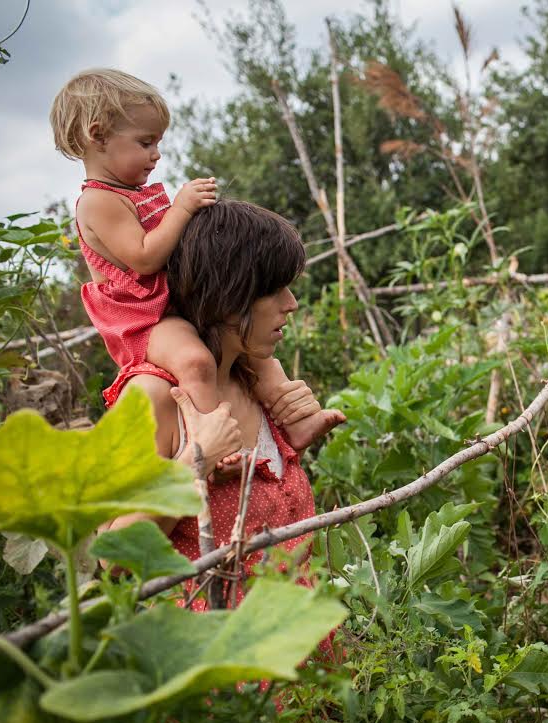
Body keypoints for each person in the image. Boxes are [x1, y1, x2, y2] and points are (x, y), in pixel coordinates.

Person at [50, 68, 338, 454]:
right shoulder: (98, 202)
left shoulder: (135, 192)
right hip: (144, 321)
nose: (156, 154)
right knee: (196, 361)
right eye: (145, 142)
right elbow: (145, 258)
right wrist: (182, 208)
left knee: (255, 354)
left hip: (169, 305)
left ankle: (296, 423)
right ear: (98, 136)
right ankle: (215, 442)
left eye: (158, 142)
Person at [100, 199, 346, 610]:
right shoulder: (157, 397)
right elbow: (112, 557)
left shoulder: (255, 383)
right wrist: (194, 463)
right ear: (228, 295)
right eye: (273, 290)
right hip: (221, 660)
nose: (291, 303)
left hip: (303, 655)